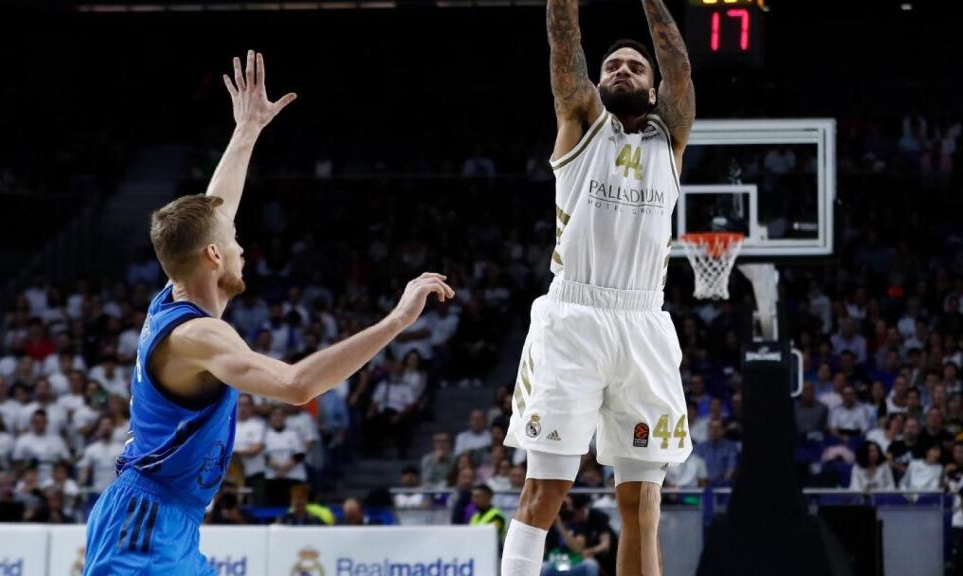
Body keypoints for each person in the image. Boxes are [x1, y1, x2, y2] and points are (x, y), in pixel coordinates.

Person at [83, 51, 454, 575]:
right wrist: (395, 321)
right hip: (144, 526)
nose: (241, 247)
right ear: (213, 257)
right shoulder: (200, 336)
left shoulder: (176, 289)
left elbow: (214, 211)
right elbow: (298, 385)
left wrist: (247, 129)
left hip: (165, 519)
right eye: (233, 242)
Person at [500, 1, 695, 575]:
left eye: (635, 66)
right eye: (612, 65)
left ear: (656, 90)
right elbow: (564, 42)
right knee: (546, 489)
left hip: (644, 323)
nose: (621, 71)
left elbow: (680, 67)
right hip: (575, 317)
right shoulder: (580, 119)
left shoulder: (671, 138)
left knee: (642, 502)